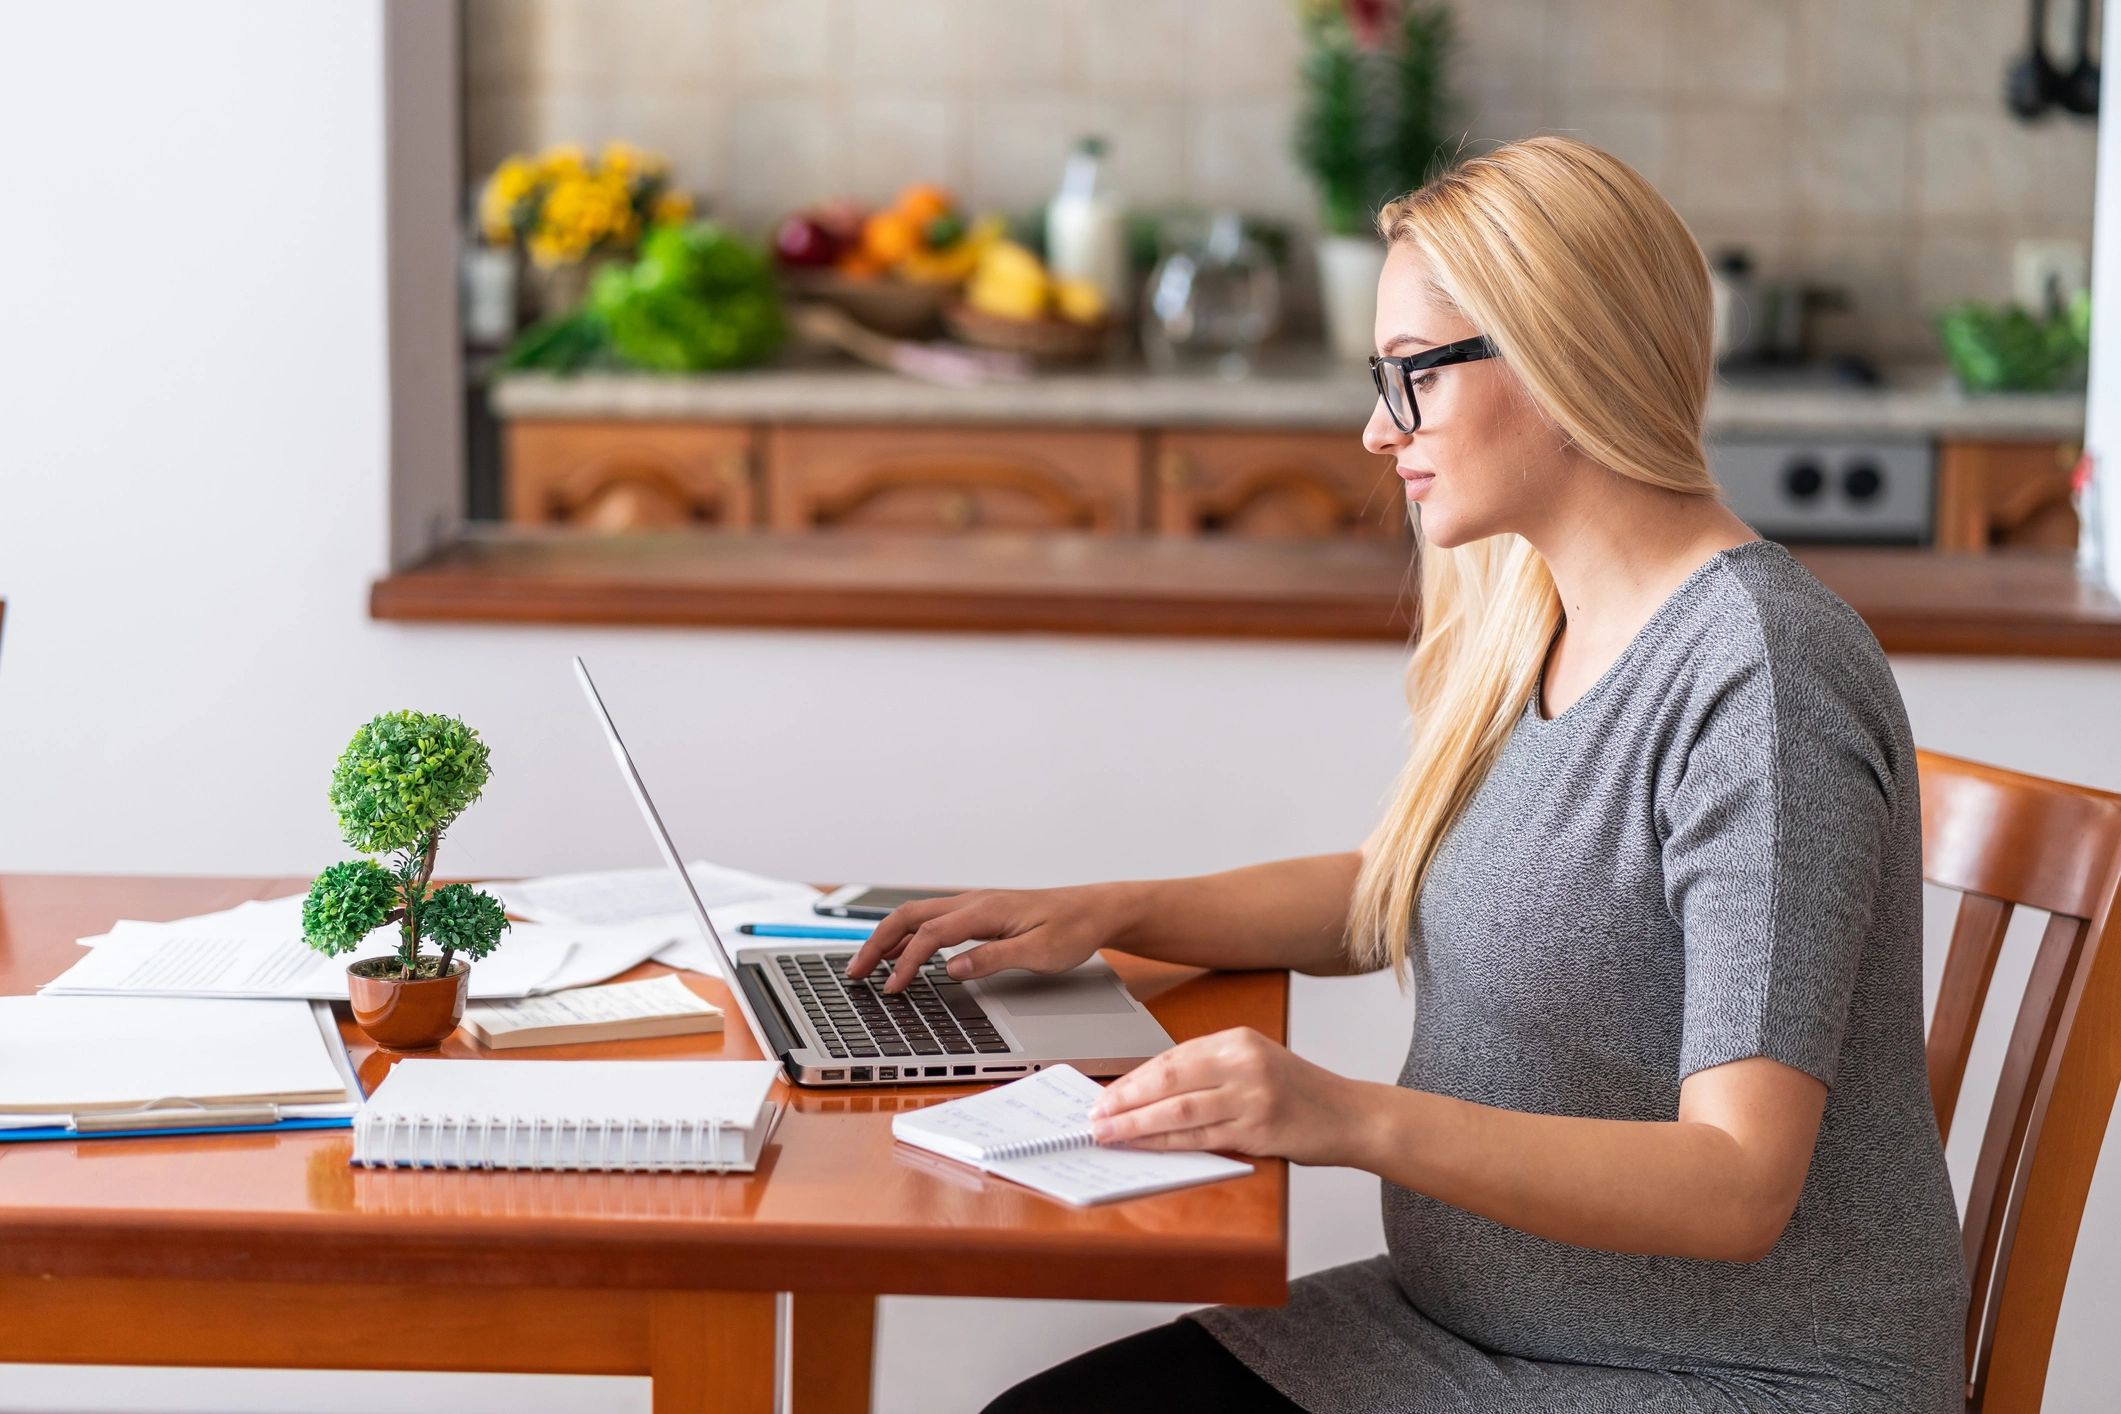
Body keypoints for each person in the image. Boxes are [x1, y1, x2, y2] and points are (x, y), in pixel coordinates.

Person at [844, 135, 1966, 1414]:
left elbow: (1737, 1181)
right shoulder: (1543, 610)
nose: (1380, 430)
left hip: (1723, 1378)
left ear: (1558, 355)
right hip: (1467, 1333)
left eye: (1409, 376)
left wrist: (1342, 1116)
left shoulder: (1761, 677)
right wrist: (1113, 910)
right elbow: (1412, 882)